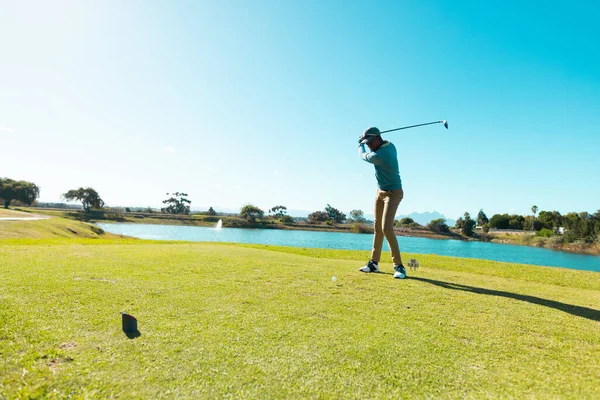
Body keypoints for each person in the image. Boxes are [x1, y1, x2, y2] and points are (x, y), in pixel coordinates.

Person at [357, 127, 406, 279]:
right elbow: (378, 144)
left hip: (393, 193)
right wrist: (366, 138)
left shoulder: (382, 154)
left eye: (370, 142)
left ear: (378, 138)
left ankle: (399, 266)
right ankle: (374, 263)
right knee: (377, 227)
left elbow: (363, 156)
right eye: (367, 143)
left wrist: (360, 145)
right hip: (380, 192)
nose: (369, 145)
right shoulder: (389, 144)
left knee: (386, 228)